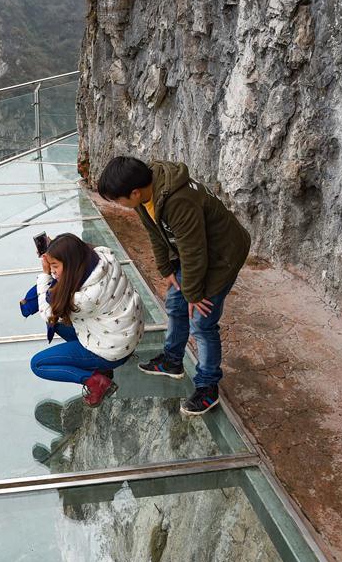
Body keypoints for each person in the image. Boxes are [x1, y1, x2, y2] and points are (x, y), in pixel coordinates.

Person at [97, 157, 250, 416]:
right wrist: (166, 269)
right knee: (175, 304)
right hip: (193, 252)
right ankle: (172, 360)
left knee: (202, 323)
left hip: (222, 256)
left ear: (134, 192)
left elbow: (195, 253)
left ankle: (207, 386)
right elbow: (155, 233)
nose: (117, 205)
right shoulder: (147, 195)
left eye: (117, 200)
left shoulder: (178, 201)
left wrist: (194, 294)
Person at [29, 233, 145, 407]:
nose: (52, 270)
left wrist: (45, 276)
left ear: (70, 264)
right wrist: (56, 250)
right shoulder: (102, 256)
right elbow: (75, 253)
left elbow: (48, 314)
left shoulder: (84, 299)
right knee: (60, 324)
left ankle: (97, 382)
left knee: (38, 364)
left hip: (112, 352)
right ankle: (103, 370)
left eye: (55, 266)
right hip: (125, 335)